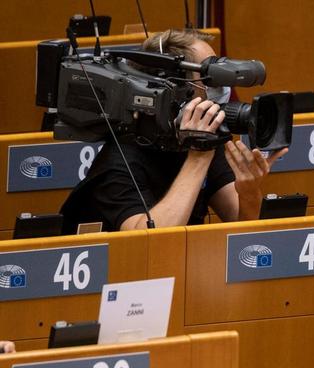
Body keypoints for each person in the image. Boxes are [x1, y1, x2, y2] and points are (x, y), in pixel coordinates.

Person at [60, 29, 286, 232]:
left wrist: (249, 190)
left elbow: (240, 223)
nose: (222, 92)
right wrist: (198, 157)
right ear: (173, 90)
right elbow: (150, 241)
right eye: (211, 81)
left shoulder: (202, 142)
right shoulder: (118, 162)